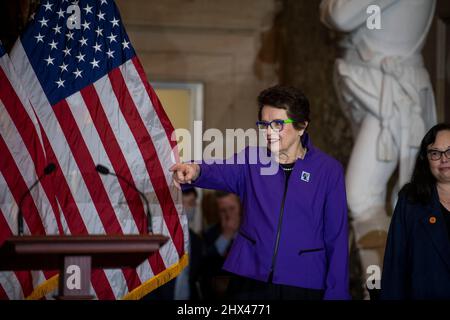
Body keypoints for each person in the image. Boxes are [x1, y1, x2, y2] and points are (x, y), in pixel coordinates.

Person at [170, 85, 350, 300]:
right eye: (264, 125)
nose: (269, 132)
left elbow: (336, 237)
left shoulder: (328, 170)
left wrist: (337, 294)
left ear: (302, 126)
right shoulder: (252, 160)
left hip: (304, 283)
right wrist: (196, 170)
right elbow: (219, 170)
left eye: (277, 124)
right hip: (249, 279)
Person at [320, 0, 437, 293]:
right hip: (376, 92)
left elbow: (341, 16)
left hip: (392, 97)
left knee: (360, 195)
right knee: (382, 200)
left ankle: (386, 287)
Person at [381, 123, 450, 299]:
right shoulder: (410, 201)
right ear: (425, 159)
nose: (444, 159)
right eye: (435, 153)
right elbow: (395, 268)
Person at [201, 191, 242, 300]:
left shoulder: (252, 231)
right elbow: (207, 267)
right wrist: (226, 235)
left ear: (240, 208)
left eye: (232, 208)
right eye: (223, 211)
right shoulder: (210, 234)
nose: (228, 215)